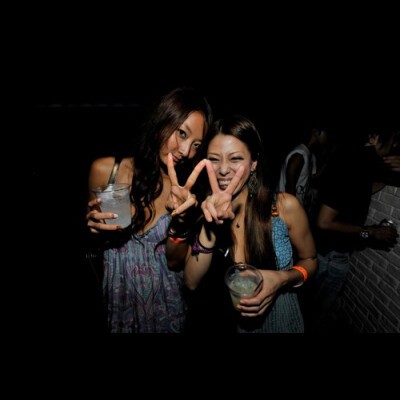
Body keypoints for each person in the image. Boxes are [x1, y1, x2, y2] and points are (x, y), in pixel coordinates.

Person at [167, 115, 318, 333]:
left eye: (235, 158)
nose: (223, 169)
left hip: (281, 320)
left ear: (254, 162)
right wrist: (211, 227)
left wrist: (283, 278)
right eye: (214, 159)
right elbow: (191, 282)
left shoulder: (284, 207)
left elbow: (311, 260)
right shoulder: (202, 214)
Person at [86, 86, 213, 333]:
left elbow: (175, 263)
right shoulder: (106, 171)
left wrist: (181, 223)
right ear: (162, 119)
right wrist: (92, 230)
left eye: (196, 145)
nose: (186, 151)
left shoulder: (184, 193)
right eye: (182, 133)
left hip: (168, 310)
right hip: (119, 306)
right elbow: (94, 239)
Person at [309, 128, 400, 333]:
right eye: (394, 139)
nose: (395, 146)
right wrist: (371, 232)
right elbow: (324, 222)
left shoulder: (355, 161)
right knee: (315, 312)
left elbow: (358, 190)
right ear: (374, 136)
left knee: (314, 308)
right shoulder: (353, 162)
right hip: (330, 255)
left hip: (328, 251)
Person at [277, 126, 331, 219]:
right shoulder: (299, 155)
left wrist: (327, 161)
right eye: (326, 132)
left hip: (297, 207)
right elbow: (289, 188)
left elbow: (314, 177)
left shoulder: (311, 156)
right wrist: (294, 213)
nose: (328, 137)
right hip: (286, 210)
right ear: (315, 132)